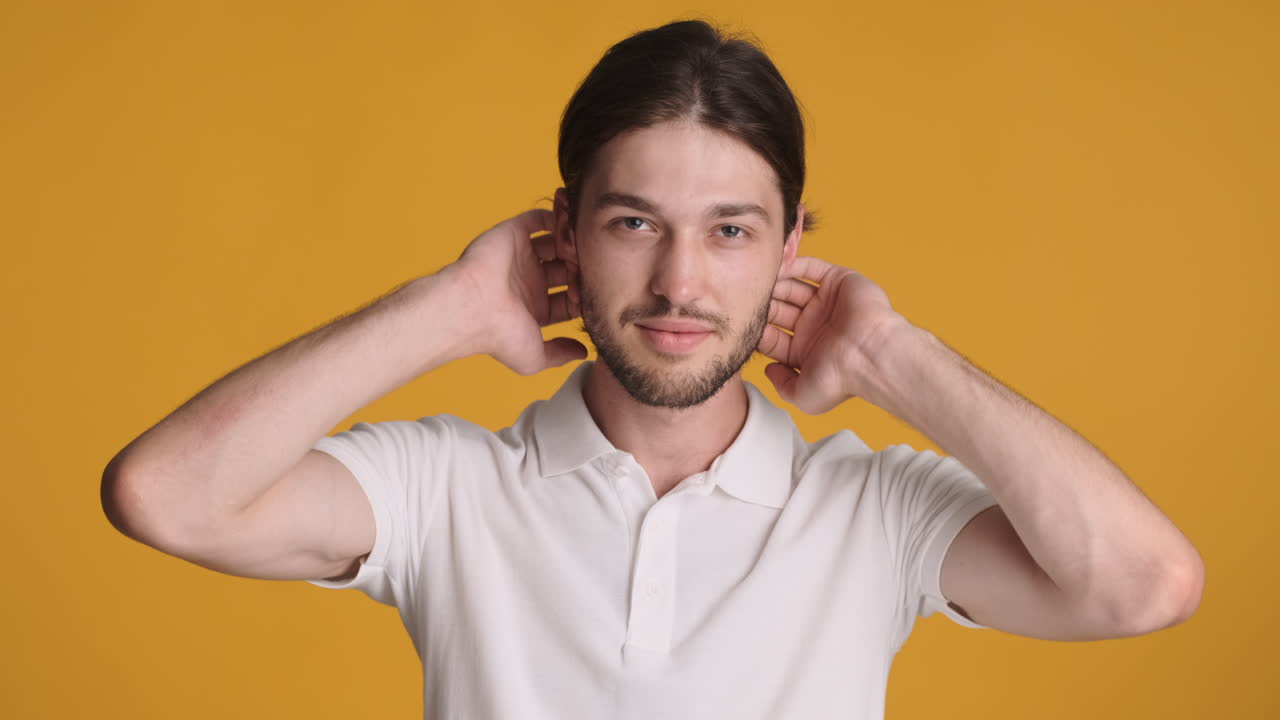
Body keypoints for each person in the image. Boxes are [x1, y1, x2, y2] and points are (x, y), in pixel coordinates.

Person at [101, 19, 1204, 719]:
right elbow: (163, 497)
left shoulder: (871, 513)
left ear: (788, 248)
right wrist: (448, 308)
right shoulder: (444, 490)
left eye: (730, 231)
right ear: (565, 233)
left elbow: (1143, 585)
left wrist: (885, 354)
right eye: (634, 222)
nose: (679, 282)